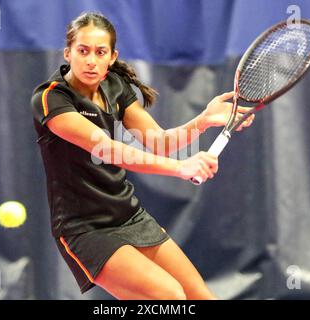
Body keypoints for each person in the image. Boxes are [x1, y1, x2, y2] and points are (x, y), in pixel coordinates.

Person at [31, 12, 254, 300]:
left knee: (201, 298)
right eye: (82, 51)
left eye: (100, 52)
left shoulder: (114, 86)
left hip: (128, 215)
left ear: (112, 57)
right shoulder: (50, 98)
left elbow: (160, 142)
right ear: (67, 53)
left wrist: (204, 120)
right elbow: (108, 150)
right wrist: (181, 168)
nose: (90, 60)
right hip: (84, 228)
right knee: (170, 297)